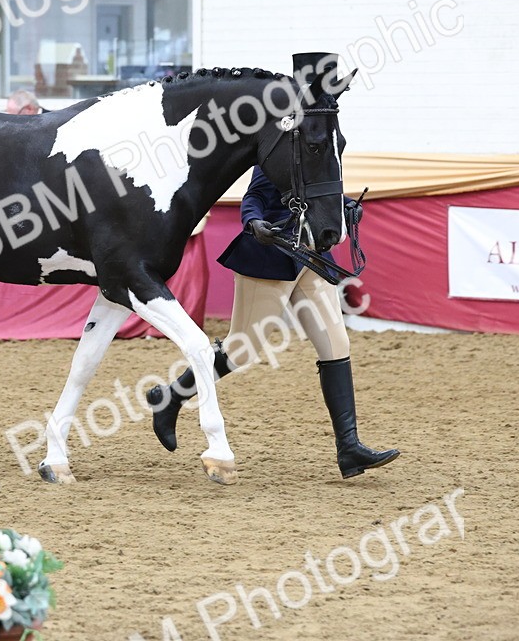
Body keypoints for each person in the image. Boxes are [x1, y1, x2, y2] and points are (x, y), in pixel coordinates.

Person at [146, 52, 399, 479]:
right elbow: (254, 196)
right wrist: (253, 221)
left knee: (336, 345)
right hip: (270, 253)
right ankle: (171, 397)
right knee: (243, 349)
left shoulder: (325, 137)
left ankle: (349, 448)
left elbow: (322, 190)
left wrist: (344, 210)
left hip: (311, 257)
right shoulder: (286, 142)